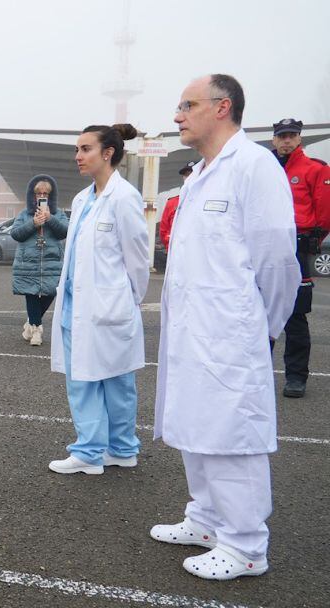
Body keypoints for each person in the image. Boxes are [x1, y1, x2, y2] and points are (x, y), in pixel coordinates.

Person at [152, 74, 300, 580]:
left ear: (223, 107)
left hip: (231, 332)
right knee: (197, 425)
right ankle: (207, 519)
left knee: (233, 434)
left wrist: (265, 327)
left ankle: (245, 546)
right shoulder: (200, 174)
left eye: (187, 104)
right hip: (194, 331)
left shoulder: (253, 166)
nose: (177, 115)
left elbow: (279, 260)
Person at [48, 124, 148, 476]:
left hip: (109, 305)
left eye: (86, 148)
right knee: (84, 378)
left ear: (108, 153)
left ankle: (117, 449)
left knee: (117, 381)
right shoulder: (82, 199)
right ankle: (94, 449)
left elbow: (138, 259)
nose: (78, 156)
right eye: (77, 149)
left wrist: (127, 299)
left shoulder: (124, 197)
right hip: (78, 305)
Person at [270, 118, 330, 398]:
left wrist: (309, 244)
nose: (286, 140)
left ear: (299, 138)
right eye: (282, 136)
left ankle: (296, 377)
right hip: (265, 247)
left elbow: (324, 212)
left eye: (291, 135)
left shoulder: (314, 169)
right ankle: (255, 374)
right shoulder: (264, 168)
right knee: (259, 314)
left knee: (295, 316)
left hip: (295, 246)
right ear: (274, 139)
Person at [10, 174, 68, 346]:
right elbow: (15, 234)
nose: (42, 196)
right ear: (32, 195)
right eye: (38, 193)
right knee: (31, 294)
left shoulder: (59, 214)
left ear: (51, 196)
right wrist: (33, 223)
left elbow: (65, 232)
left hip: (52, 262)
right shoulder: (23, 214)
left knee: (51, 292)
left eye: (46, 193)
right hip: (28, 261)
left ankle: (31, 321)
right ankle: (37, 330)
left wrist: (50, 219)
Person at [157, 161, 196, 252]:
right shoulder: (172, 203)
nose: (189, 178)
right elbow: (164, 231)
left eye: (192, 174)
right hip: (176, 252)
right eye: (186, 175)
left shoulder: (207, 200)